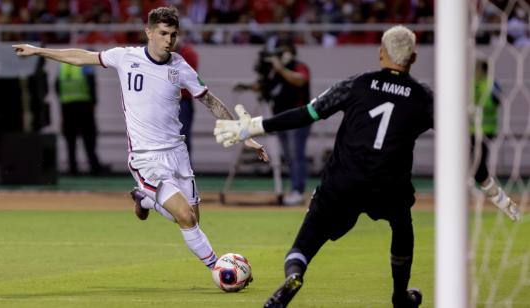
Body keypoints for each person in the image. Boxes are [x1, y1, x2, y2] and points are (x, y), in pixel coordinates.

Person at [214, 25, 522, 307]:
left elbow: (307, 114)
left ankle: (294, 274)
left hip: (343, 179)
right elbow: (464, 148)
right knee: (403, 228)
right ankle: (400, 295)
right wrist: (495, 193)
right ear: (413, 57)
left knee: (311, 234)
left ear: (380, 52)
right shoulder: (425, 98)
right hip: (389, 185)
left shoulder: (357, 85)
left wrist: (252, 127)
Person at [13, 6, 268, 272]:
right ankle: (221, 270)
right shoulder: (125, 57)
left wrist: (242, 134)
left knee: (192, 219)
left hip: (177, 153)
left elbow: (209, 100)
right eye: (163, 33)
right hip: (146, 157)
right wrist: (39, 50)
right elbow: (81, 57)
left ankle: (145, 199)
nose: (169, 40)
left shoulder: (180, 66)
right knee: (185, 216)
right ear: (149, 32)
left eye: (174, 35)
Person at [234, 38, 311, 205]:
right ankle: (294, 190)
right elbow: (265, 87)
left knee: (296, 155)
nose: (280, 55)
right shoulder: (275, 72)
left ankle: (298, 191)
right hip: (281, 118)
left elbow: (300, 79)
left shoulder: (299, 66)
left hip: (298, 119)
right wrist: (247, 86)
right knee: (289, 157)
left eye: (283, 51)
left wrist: (280, 69)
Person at [471, 59, 518, 219]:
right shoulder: (468, 83)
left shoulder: (491, 84)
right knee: (472, 160)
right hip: (470, 130)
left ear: (483, 70)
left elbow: (497, 102)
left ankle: (481, 186)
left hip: (486, 129)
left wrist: (482, 102)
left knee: (481, 159)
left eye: (477, 68)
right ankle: (475, 185)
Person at [56, 61, 106, 176]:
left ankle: (72, 169)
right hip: (84, 106)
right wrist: (94, 102)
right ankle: (94, 168)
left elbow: (57, 86)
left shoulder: (62, 67)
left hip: (67, 107)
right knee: (89, 138)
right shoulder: (84, 65)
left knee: (70, 139)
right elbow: (91, 83)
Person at [175, 38, 198, 155]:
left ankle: (185, 168)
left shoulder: (187, 53)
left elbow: (187, 77)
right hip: (165, 101)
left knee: (183, 135)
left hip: (182, 100)